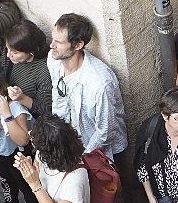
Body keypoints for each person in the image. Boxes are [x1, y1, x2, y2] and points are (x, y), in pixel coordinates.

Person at [48, 12, 127, 159]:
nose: (52, 45)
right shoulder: (53, 60)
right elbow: (58, 96)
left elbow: (105, 131)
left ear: (78, 45)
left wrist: (83, 157)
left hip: (103, 152)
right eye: (53, 39)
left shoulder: (99, 83)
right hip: (76, 144)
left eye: (58, 42)